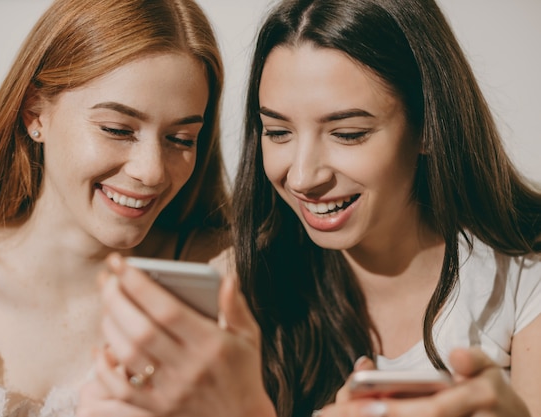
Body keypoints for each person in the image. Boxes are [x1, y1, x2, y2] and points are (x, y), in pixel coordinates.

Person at [77, 0, 541, 417]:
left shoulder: (525, 277)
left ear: (428, 127)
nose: (302, 177)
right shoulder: (240, 287)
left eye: (347, 133)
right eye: (278, 133)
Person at [0, 0, 231, 415]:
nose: (152, 171)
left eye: (181, 139)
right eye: (117, 129)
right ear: (35, 114)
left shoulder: (216, 271)